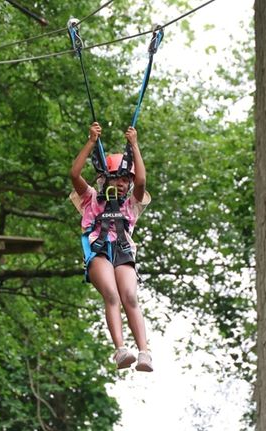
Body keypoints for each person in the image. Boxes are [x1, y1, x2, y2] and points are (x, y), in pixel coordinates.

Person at [69, 122, 153, 372]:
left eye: (125, 180)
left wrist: (134, 145)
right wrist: (91, 142)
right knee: (113, 295)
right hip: (99, 252)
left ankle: (144, 352)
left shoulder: (131, 205)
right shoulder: (90, 200)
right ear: (104, 179)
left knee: (130, 296)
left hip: (123, 253)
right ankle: (120, 349)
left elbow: (142, 181)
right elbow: (74, 175)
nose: (121, 184)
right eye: (116, 179)